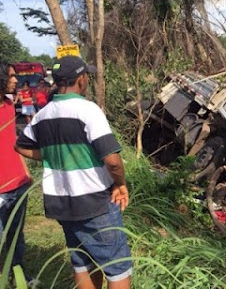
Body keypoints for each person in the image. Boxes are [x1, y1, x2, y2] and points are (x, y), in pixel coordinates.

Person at [15, 56, 132, 289]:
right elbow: (113, 161)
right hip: (94, 202)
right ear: (81, 79)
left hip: (63, 204)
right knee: (117, 269)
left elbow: (21, 146)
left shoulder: (42, 114)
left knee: (82, 264)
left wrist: (51, 154)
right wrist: (120, 184)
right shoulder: (87, 110)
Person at [0, 62, 34, 283]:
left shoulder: (9, 104)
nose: (15, 80)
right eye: (11, 77)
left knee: (16, 235)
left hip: (19, 182)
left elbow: (14, 141)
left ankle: (18, 273)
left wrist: (26, 172)